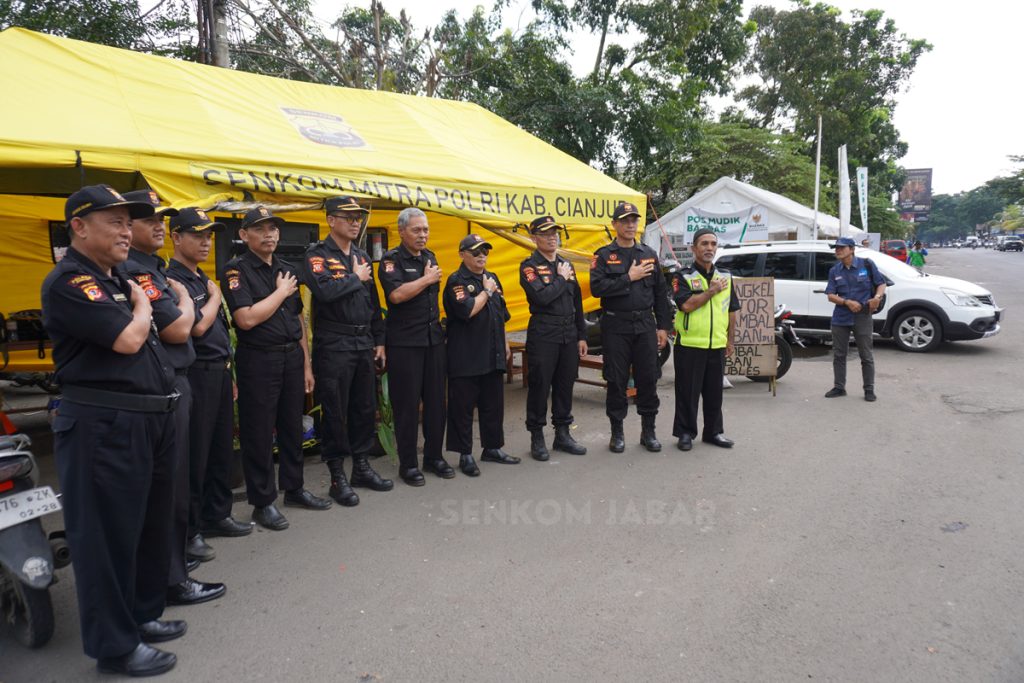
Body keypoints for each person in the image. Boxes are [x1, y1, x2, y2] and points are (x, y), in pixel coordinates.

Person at [42, 185, 181, 676]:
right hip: (105, 422)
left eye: (130, 222)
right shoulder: (70, 282)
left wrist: (139, 301)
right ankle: (115, 646)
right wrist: (142, 308)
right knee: (107, 536)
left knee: (145, 525)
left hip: (147, 417)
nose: (127, 231)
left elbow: (168, 327)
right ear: (78, 226)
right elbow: (129, 338)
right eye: (115, 222)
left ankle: (141, 616)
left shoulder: (120, 275)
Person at [122, 191, 226, 608]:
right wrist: (188, 300)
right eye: (150, 220)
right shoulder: (141, 271)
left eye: (162, 219)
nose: (158, 226)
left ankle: (171, 569)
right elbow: (181, 330)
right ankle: (169, 576)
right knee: (172, 484)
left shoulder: (156, 269)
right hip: (165, 382)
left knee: (177, 480)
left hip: (174, 379)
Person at [222, 206, 331, 531]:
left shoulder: (286, 268)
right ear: (243, 235)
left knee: (291, 426)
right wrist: (280, 292)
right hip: (259, 358)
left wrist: (307, 364)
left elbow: (297, 318)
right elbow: (246, 318)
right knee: (258, 431)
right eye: (260, 228)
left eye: (273, 228)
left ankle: (294, 488)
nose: (269, 234)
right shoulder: (236, 271)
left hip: (291, 357)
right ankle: (262, 502)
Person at [165, 208, 253, 561]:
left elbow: (218, 330)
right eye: (197, 234)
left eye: (209, 235)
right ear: (176, 237)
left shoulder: (201, 277)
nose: (205, 242)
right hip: (195, 372)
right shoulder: (173, 279)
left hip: (218, 369)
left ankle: (218, 514)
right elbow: (198, 326)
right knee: (195, 455)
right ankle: (191, 529)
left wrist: (228, 372)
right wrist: (216, 299)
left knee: (219, 449)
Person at [301, 196, 392, 506]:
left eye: (358, 217)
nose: (356, 222)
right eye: (348, 216)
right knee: (336, 411)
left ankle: (362, 466)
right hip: (334, 344)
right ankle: (338, 474)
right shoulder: (317, 255)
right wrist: (355, 278)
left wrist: (379, 340)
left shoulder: (362, 256)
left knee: (364, 408)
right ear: (330, 220)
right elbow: (324, 292)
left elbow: (372, 302)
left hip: (362, 342)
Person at [589, 201, 672, 453]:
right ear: (614, 224)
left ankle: (649, 432)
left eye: (634, 220)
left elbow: (660, 292)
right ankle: (617, 432)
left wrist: (663, 327)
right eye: (624, 220)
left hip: (645, 324)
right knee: (616, 379)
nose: (630, 224)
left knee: (648, 377)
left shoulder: (648, 254)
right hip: (616, 324)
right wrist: (628, 277)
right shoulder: (603, 255)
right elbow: (597, 288)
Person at [377, 208, 447, 486]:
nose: (423, 235)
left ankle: (434, 457)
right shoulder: (391, 260)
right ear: (402, 231)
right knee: (406, 406)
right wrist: (427, 279)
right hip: (405, 343)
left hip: (432, 341)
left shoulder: (430, 257)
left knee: (435, 404)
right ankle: (408, 464)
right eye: (417, 230)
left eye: (426, 230)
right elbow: (396, 295)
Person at [443, 234, 517, 474]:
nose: (481, 256)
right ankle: (465, 454)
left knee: (493, 404)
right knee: (462, 408)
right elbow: (467, 311)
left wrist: (504, 342)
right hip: (466, 355)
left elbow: (501, 314)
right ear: (462, 254)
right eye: (475, 252)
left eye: (485, 251)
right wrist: (485, 292)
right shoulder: (457, 280)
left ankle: (492, 447)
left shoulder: (492, 277)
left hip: (491, 351)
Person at [519, 215, 587, 461]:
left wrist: (581, 335)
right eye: (546, 233)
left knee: (564, 384)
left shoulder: (565, 264)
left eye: (554, 233)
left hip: (568, 333)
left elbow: (577, 303)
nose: (552, 237)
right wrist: (560, 278)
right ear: (534, 237)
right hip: (544, 333)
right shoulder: (528, 266)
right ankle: (537, 436)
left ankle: (563, 433)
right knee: (540, 385)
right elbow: (542, 298)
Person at [670, 228, 741, 451]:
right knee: (687, 394)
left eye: (712, 244)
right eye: (704, 244)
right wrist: (710, 292)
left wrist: (730, 340)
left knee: (714, 394)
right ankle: (685, 433)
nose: (709, 248)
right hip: (690, 345)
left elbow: (732, 310)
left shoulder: (726, 276)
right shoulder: (682, 276)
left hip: (717, 345)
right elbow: (686, 305)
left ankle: (714, 432)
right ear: (694, 248)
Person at [824, 236, 886, 402]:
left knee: (866, 355)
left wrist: (877, 298)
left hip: (863, 316)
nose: (837, 250)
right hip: (841, 317)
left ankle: (869, 390)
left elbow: (881, 283)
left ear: (851, 249)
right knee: (839, 355)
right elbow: (830, 295)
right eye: (836, 248)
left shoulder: (866, 264)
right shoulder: (834, 271)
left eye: (841, 248)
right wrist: (846, 302)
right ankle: (839, 387)